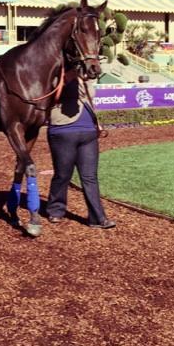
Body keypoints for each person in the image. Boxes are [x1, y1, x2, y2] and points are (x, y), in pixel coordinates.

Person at [46, 73, 116, 229]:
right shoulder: (55, 74)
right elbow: (55, 94)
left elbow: (89, 92)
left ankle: (98, 218)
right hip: (63, 131)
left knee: (90, 176)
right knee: (62, 175)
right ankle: (55, 211)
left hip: (89, 132)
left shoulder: (84, 74)